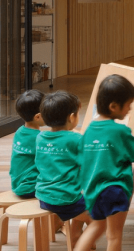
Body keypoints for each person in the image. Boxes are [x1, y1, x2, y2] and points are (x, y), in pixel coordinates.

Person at [74, 75, 134, 251]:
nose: (130, 109)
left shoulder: (88, 130)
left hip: (92, 190)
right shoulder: (120, 131)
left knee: (96, 226)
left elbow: (80, 159)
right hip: (115, 189)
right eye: (128, 104)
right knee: (114, 236)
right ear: (113, 106)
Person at [36, 91, 92, 246]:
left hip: (44, 196)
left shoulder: (40, 137)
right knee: (98, 218)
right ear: (72, 117)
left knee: (82, 202)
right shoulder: (76, 139)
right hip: (66, 199)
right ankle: (79, 243)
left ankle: (75, 237)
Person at [10, 90, 45, 199]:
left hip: (17, 184)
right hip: (31, 187)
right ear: (38, 117)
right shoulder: (39, 138)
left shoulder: (19, 132)